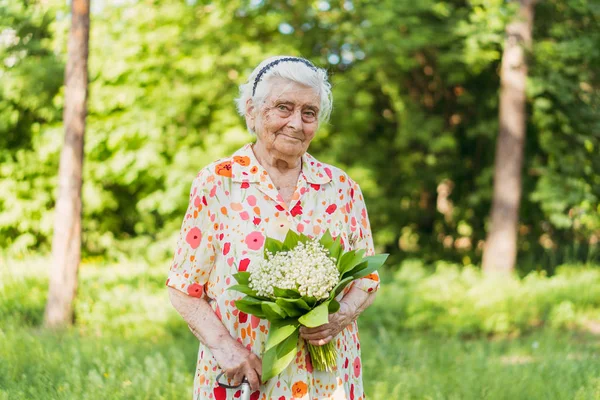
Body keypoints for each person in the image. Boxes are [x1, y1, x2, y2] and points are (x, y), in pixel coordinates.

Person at [167, 56, 380, 400]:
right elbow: (183, 286)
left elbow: (367, 278)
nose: (297, 123)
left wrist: (338, 317)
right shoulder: (219, 182)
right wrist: (225, 349)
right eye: (284, 107)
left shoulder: (341, 187)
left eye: (309, 113)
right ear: (252, 111)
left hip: (325, 379)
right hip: (244, 374)